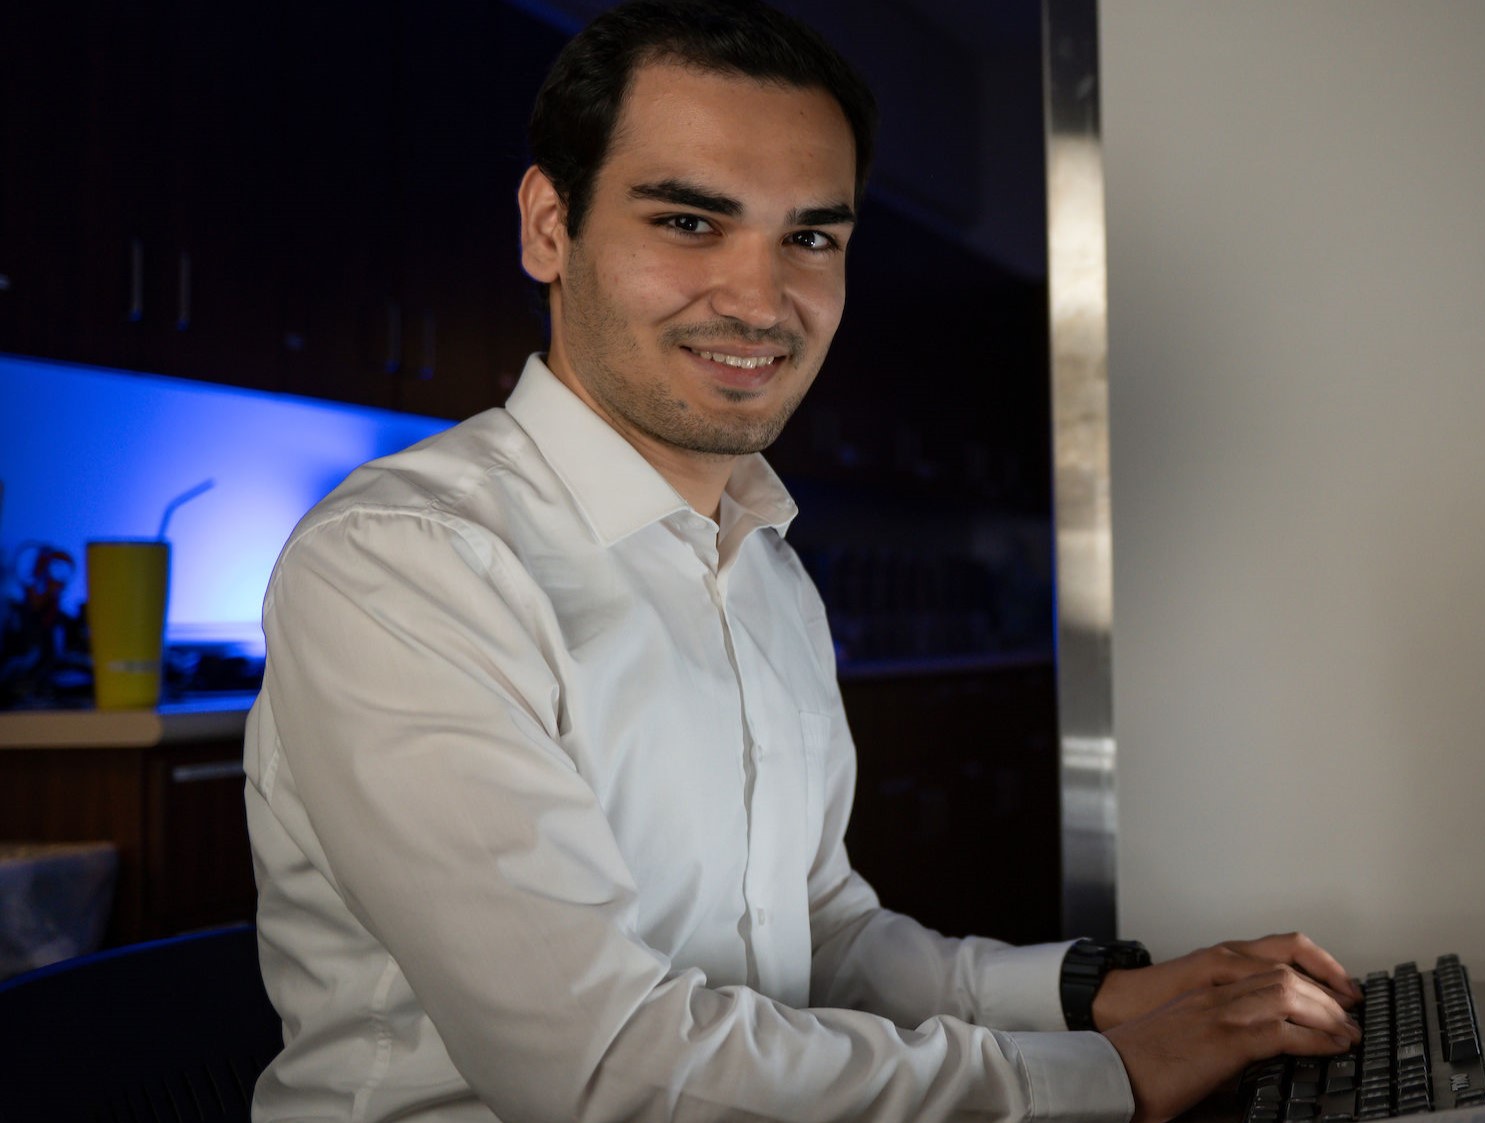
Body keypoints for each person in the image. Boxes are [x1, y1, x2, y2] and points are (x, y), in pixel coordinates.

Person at [242, 2, 1362, 1120]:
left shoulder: (766, 570)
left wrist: (1100, 997)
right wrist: (1110, 1077)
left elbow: (816, 934)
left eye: (811, 237)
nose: (760, 298)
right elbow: (597, 1065)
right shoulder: (408, 565)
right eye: (688, 222)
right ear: (549, 225)